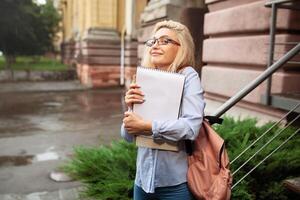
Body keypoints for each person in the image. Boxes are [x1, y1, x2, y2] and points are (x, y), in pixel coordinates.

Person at [121, 20, 205, 200]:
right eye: (153, 41)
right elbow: (127, 137)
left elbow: (191, 127)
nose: (156, 45)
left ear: (181, 47)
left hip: (174, 186)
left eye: (165, 41)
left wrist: (148, 126)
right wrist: (130, 109)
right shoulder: (144, 77)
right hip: (142, 182)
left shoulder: (188, 76)